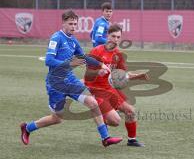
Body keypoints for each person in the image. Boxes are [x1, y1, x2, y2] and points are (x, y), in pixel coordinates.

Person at [20, 10, 122, 147]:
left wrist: (100, 64)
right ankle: (27, 128)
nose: (74, 26)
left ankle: (105, 138)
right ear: (63, 23)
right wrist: (68, 64)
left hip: (70, 80)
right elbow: (49, 61)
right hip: (56, 83)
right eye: (71, 24)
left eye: (75, 24)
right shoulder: (56, 38)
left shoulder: (73, 40)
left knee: (92, 102)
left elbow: (84, 57)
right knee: (57, 118)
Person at [84, 24, 149, 147]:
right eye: (113, 36)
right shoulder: (96, 51)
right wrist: (98, 71)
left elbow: (122, 75)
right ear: (107, 36)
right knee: (115, 121)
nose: (116, 39)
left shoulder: (118, 55)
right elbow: (87, 74)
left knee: (130, 111)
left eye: (118, 37)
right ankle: (100, 116)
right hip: (96, 90)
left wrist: (138, 76)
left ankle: (132, 140)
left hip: (109, 88)